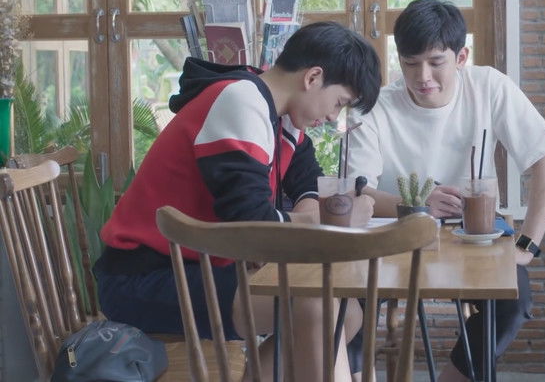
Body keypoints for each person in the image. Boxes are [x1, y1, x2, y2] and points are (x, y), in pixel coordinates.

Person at [94, 21, 380, 382]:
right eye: (339, 103)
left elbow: (309, 185)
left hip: (198, 268)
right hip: (145, 278)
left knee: (347, 313)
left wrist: (316, 215)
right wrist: (334, 217)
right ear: (313, 77)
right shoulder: (240, 101)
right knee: (317, 305)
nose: (333, 117)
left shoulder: (283, 117)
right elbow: (251, 227)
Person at [347, 0, 545, 381]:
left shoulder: (489, 86)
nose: (422, 76)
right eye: (410, 63)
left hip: (475, 238)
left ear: (461, 57)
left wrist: (528, 244)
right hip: (392, 242)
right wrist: (416, 204)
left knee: (513, 303)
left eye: (435, 62)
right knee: (347, 302)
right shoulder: (375, 107)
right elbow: (357, 193)